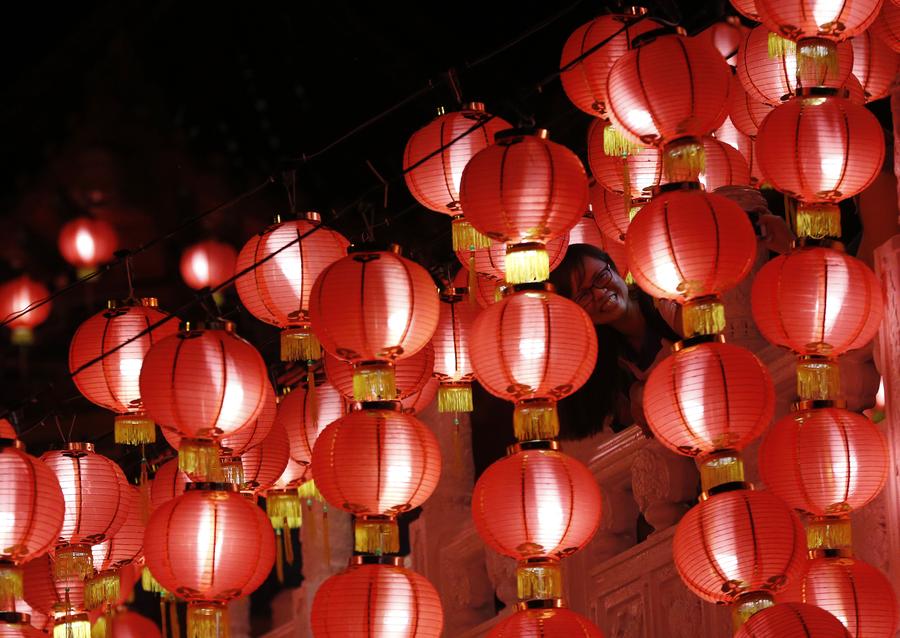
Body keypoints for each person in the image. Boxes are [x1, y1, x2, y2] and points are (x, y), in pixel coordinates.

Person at [549, 243, 680, 438]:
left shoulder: (664, 301)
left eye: (601, 277)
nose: (600, 293)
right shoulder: (608, 357)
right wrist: (637, 394)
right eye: (584, 295)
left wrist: (642, 391)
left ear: (615, 269)